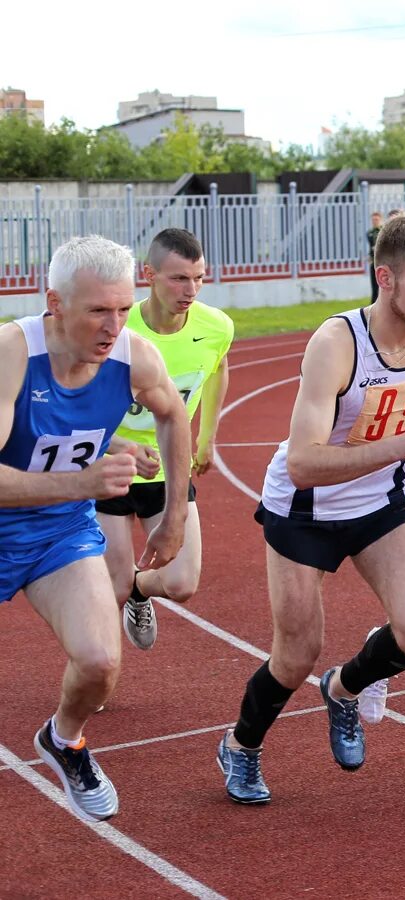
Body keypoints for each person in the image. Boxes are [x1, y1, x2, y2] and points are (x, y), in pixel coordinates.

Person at [216, 214, 405, 805]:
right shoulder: (337, 344)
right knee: (294, 653)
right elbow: (304, 462)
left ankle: (345, 688)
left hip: (380, 501)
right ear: (385, 278)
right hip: (304, 510)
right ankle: (242, 746)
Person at [3, 235, 191, 821]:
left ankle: (64, 738)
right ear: (54, 302)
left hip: (57, 533)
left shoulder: (135, 355)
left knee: (100, 663)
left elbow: (173, 414)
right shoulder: (12, 352)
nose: (114, 325)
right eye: (97, 311)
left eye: (123, 307)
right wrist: (85, 480)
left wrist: (174, 516)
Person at [96, 228, 233, 653]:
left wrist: (207, 436)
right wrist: (116, 448)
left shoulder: (216, 327)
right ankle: (94, 676)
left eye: (199, 278)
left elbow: (218, 369)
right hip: (109, 467)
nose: (190, 289)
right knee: (108, 589)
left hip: (168, 466)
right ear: (149, 274)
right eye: (178, 278)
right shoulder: (116, 327)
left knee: (181, 583)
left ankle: (140, 590)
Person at [366, 212, 383, 303]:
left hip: (381, 261)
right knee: (374, 284)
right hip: (373, 261)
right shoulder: (369, 233)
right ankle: (373, 302)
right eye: (373, 220)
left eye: (376, 220)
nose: (375, 221)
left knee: (381, 283)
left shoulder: (383, 231)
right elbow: (371, 247)